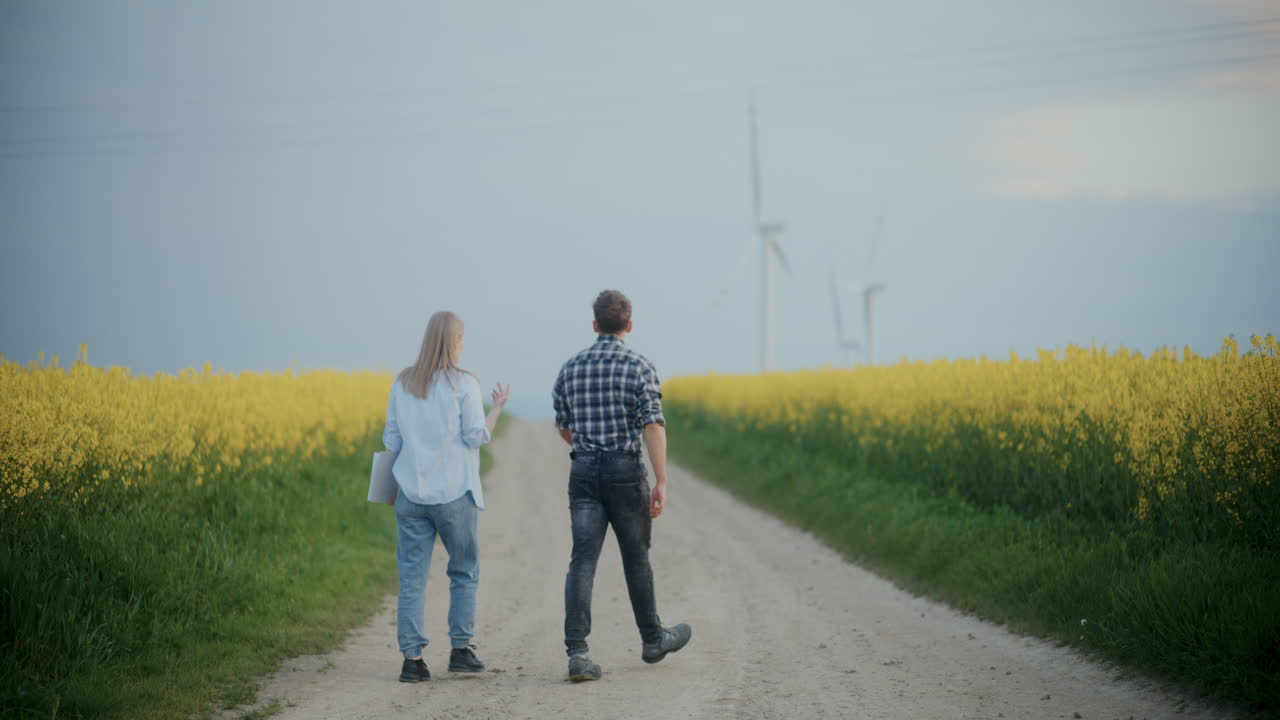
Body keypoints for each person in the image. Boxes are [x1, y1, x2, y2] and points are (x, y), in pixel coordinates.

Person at [552, 289, 692, 682]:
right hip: (625, 472)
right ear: (629, 325)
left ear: (595, 325)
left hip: (583, 470)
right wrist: (661, 480)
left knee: (582, 561)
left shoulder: (571, 367)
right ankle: (652, 639)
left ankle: (577, 654)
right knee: (636, 557)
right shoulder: (639, 366)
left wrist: (586, 449)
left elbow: (564, 424)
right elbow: (653, 425)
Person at [382, 311, 510, 683]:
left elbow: (391, 438)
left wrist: (389, 488)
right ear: (455, 341)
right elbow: (474, 436)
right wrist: (497, 409)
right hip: (454, 494)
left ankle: (412, 662)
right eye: (462, 339)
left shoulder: (403, 381)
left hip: (409, 494)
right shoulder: (464, 383)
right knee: (464, 570)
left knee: (411, 578)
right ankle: (460, 651)